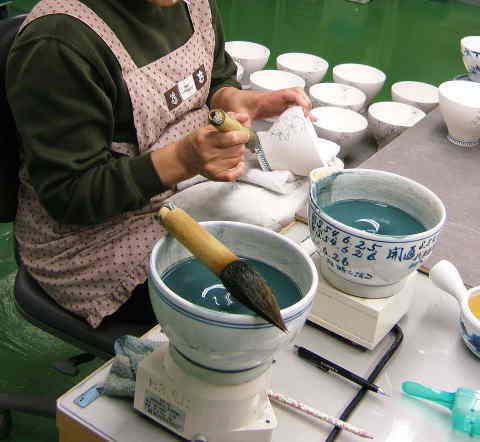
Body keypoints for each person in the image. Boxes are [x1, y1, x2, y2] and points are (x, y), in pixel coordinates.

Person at [6, 0, 312, 328]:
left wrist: (237, 100)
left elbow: (214, 75)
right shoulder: (59, 44)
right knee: (243, 311)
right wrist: (182, 159)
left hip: (181, 187)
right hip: (94, 241)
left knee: (297, 242)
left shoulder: (191, 4)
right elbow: (72, 195)